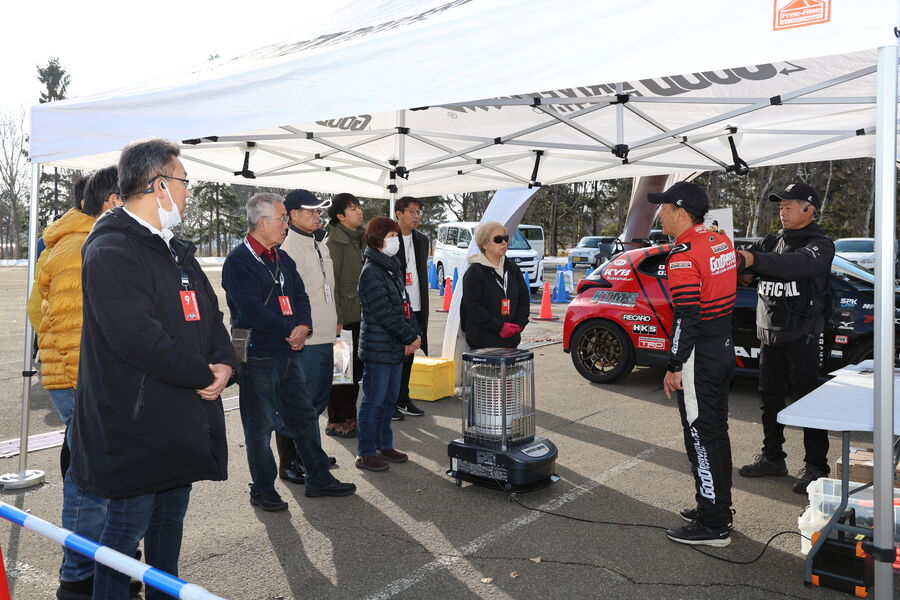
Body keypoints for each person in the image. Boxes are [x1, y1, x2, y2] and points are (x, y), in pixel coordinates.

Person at [69, 138, 238, 598]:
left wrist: (225, 362)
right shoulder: (111, 249)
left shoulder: (175, 249)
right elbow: (136, 337)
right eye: (183, 182)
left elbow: (210, 315)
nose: (188, 192)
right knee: (124, 536)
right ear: (159, 186)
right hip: (134, 425)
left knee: (168, 526)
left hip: (177, 418)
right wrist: (204, 374)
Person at [223, 192, 356, 511]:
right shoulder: (238, 261)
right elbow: (250, 310)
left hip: (288, 353)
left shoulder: (279, 257)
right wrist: (290, 330)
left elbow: (299, 296)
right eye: (281, 219)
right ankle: (263, 488)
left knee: (305, 417)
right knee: (259, 427)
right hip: (258, 355)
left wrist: (303, 325)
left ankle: (318, 477)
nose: (285, 225)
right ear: (262, 222)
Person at [40, 167, 127, 600]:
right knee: (89, 480)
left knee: (101, 475)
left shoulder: (89, 239)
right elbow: (71, 327)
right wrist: (92, 390)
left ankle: (106, 563)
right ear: (113, 200)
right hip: (82, 381)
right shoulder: (79, 245)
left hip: (88, 379)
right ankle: (78, 574)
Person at [649, 181, 737, 548]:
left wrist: (674, 365)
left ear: (681, 212)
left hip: (701, 355)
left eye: (665, 207)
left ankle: (713, 523)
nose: (660, 213)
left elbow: (687, 317)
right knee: (715, 431)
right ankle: (715, 506)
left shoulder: (683, 254)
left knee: (701, 435)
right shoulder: (719, 239)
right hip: (723, 347)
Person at [736, 182, 834, 494]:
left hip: (803, 336)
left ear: (809, 209)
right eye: (780, 206)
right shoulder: (771, 240)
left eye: (789, 206)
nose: (783, 211)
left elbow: (797, 265)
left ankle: (816, 466)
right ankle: (772, 458)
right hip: (769, 335)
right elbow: (749, 267)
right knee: (770, 400)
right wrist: (742, 266)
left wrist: (754, 261)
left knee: (808, 402)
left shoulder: (820, 245)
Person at [277, 189, 339, 483]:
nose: (317, 216)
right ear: (293, 215)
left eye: (318, 211)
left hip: (325, 336)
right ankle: (288, 461)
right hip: (306, 341)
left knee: (317, 401)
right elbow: (287, 300)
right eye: (311, 211)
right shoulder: (288, 249)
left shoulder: (319, 245)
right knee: (298, 404)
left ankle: (309, 454)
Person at [355, 217, 421, 471]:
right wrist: (409, 337)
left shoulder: (391, 267)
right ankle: (366, 452)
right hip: (378, 348)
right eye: (391, 236)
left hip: (394, 346)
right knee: (374, 401)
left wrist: (415, 333)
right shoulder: (372, 271)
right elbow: (384, 313)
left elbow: (405, 306)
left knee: (389, 400)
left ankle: (385, 444)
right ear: (377, 239)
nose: (395, 241)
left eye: (396, 236)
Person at [324, 193, 365, 438]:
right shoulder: (334, 243)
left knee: (354, 372)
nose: (359, 211)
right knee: (342, 373)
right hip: (343, 320)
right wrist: (337, 318)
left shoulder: (359, 239)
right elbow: (332, 285)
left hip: (358, 316)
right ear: (340, 216)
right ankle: (337, 420)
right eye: (352, 208)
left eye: (359, 207)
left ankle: (349, 417)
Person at [460, 221, 530, 350]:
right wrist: (499, 327)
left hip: (511, 342)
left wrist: (519, 324)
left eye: (506, 238)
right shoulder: (475, 272)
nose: (504, 243)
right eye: (498, 239)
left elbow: (524, 298)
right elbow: (473, 307)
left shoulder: (512, 268)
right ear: (484, 244)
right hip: (483, 344)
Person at [393, 196, 429, 420]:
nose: (416, 216)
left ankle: (403, 398)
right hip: (397, 305)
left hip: (416, 304)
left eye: (418, 212)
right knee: (395, 354)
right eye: (412, 211)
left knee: (410, 352)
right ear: (399, 213)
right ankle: (391, 401)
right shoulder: (388, 237)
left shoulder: (422, 239)